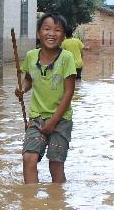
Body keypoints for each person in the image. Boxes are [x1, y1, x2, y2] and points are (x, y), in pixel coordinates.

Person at [15, 13, 77, 184]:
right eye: (47, 29)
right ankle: (30, 206)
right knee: (29, 159)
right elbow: (29, 79)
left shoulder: (66, 58)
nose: (52, 33)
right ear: (38, 34)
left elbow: (69, 92)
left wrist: (54, 121)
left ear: (63, 36)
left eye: (57, 30)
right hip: (36, 118)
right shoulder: (31, 56)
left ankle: (57, 204)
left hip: (61, 119)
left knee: (55, 165)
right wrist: (22, 89)